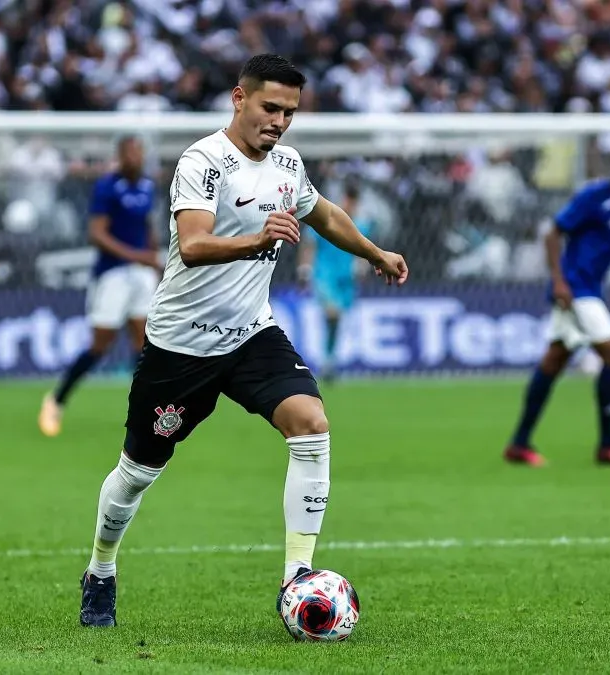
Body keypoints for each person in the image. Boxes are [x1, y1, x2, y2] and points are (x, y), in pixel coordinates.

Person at [78, 53, 409, 628]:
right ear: (240, 98)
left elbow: (324, 215)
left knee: (311, 423)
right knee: (137, 471)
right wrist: (257, 241)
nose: (279, 121)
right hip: (182, 347)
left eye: (289, 112)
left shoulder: (287, 165)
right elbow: (194, 244)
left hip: (251, 334)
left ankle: (297, 578)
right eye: (270, 107)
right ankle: (101, 568)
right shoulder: (204, 160)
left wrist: (374, 253)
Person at [503, 137, 610, 467]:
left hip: (590, 290)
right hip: (575, 289)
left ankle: (518, 444)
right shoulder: (594, 197)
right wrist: (559, 281)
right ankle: (608, 445)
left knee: (554, 361)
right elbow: (552, 233)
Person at [39, 136, 160, 437]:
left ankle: (145, 414)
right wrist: (137, 256)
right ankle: (56, 400)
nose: (135, 157)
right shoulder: (106, 187)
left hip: (142, 273)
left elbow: (146, 227)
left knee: (142, 343)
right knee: (100, 344)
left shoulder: (146, 187)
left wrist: (155, 260)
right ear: (120, 156)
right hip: (112, 274)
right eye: (130, 152)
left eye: (139, 152)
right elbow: (96, 234)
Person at [296, 179, 374, 381]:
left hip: (346, 279)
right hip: (324, 275)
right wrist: (305, 269)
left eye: (354, 200)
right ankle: (326, 360)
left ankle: (329, 360)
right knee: (333, 313)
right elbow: (310, 245)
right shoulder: (328, 219)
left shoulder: (362, 225)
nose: (351, 204)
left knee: (336, 320)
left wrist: (362, 265)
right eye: (349, 199)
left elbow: (362, 250)